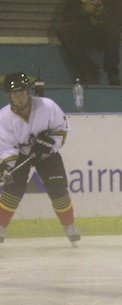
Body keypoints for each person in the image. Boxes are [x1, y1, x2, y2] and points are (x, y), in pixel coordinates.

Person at [0, 72, 80, 246]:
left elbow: (62, 130)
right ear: (9, 96)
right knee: (12, 190)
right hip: (20, 155)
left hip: (47, 154)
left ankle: (69, 225)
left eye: (22, 92)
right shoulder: (3, 117)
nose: (20, 97)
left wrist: (49, 144)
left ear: (29, 92)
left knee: (58, 190)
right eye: (15, 94)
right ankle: (1, 227)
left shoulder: (47, 106)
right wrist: (8, 167)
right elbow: (6, 147)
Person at [56, 0, 122, 86]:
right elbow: (67, 14)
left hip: (107, 30)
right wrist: (84, 11)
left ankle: (112, 74)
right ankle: (88, 69)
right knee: (64, 32)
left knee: (113, 29)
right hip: (85, 30)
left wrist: (104, 18)